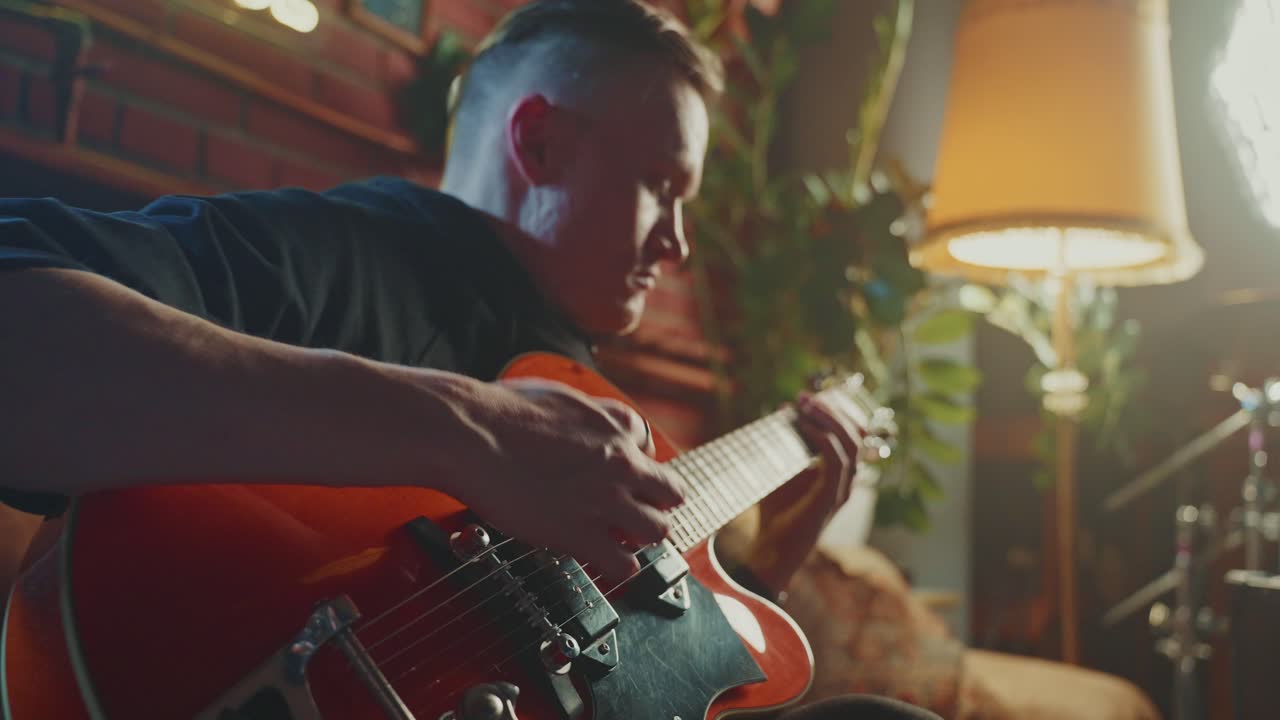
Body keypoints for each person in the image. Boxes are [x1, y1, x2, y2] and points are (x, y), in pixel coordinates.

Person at [0, 1, 939, 717]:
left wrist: (765, 572)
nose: (679, 243)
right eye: (662, 186)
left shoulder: (586, 400)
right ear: (536, 140)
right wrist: (467, 429)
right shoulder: (366, 253)